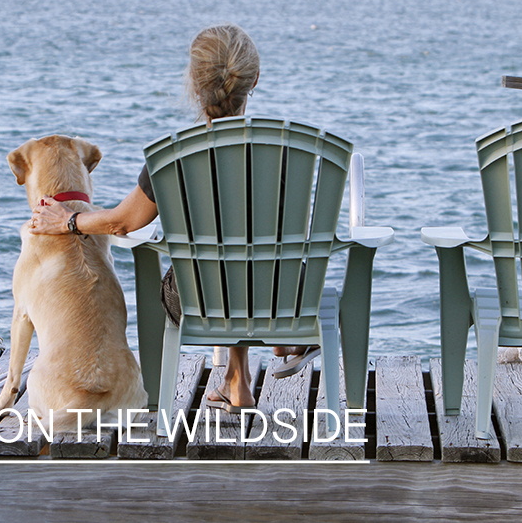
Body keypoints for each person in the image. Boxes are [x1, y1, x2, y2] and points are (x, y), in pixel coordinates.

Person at [28, 24, 318, 412]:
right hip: (284, 298)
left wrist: (68, 221)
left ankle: (235, 381)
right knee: (247, 250)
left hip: (200, 300)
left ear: (195, 86)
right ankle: (252, 368)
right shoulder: (285, 149)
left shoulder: (176, 155)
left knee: (213, 264)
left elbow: (124, 223)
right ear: (255, 80)